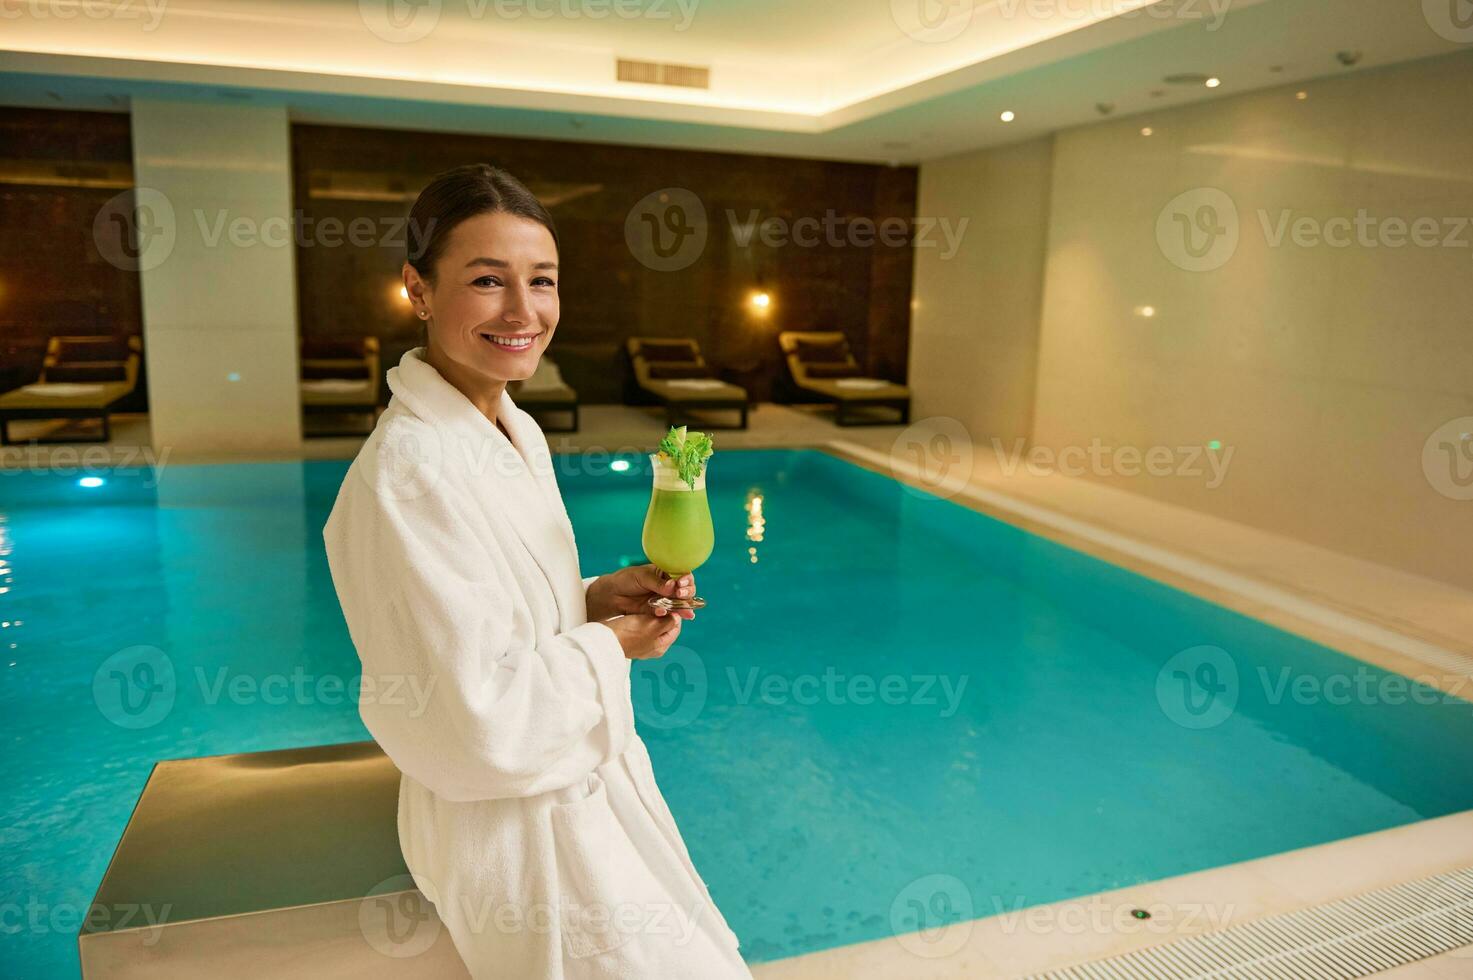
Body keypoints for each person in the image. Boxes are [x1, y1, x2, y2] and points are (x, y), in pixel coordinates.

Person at [323, 163, 751, 979]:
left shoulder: (511, 428)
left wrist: (590, 600)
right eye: (487, 281)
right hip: (521, 842)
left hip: (584, 801)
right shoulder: (408, 474)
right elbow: (468, 717)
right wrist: (611, 647)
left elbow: (496, 614)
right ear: (416, 289)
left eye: (542, 281)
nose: (523, 312)